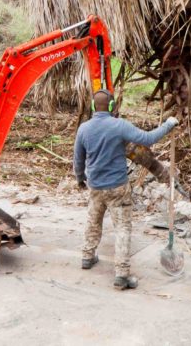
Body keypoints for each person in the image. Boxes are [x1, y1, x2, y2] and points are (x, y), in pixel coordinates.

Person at [73, 89, 178, 290]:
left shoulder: (84, 129)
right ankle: (121, 274)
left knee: (93, 220)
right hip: (117, 188)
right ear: (112, 106)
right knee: (122, 228)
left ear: (94, 106)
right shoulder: (119, 126)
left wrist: (80, 179)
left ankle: (87, 256)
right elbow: (148, 139)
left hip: (95, 186)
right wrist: (168, 124)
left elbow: (78, 159)